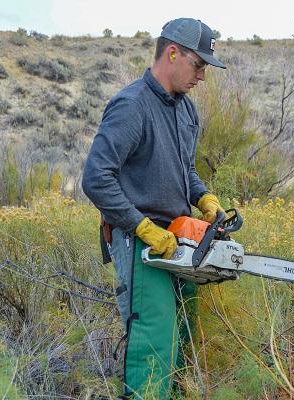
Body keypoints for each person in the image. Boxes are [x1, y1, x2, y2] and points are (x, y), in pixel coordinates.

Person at [82, 17, 225, 398]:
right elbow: (96, 178)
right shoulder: (132, 105)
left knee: (183, 339)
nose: (202, 77)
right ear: (172, 53)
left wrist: (204, 198)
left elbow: (185, 169)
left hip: (179, 239)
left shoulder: (185, 110)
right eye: (199, 65)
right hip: (140, 242)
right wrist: (142, 227)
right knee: (155, 339)